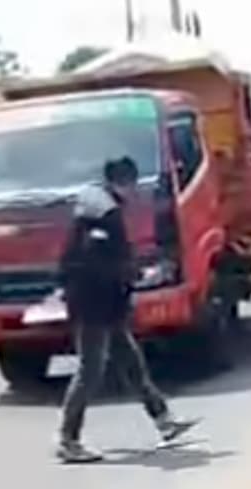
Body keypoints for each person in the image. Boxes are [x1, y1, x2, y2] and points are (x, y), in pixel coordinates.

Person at [56, 156, 196, 464]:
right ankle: (68, 439)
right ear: (126, 182)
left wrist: (125, 275)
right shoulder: (106, 214)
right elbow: (102, 262)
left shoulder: (93, 204)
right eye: (133, 184)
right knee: (90, 371)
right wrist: (132, 275)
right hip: (95, 303)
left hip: (103, 302)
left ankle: (164, 420)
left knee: (131, 361)